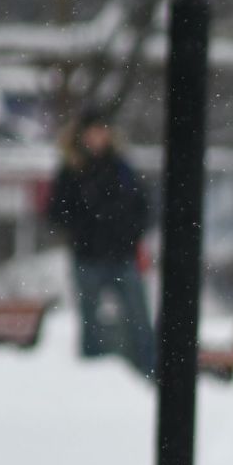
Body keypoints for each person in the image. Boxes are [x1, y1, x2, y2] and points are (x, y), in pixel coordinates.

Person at [46, 109, 156, 377]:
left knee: (138, 319)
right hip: (88, 257)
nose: (98, 137)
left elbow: (142, 206)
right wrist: (85, 227)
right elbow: (58, 211)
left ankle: (147, 370)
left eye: (102, 130)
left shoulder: (121, 168)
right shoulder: (71, 171)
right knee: (90, 322)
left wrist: (128, 232)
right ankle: (92, 376)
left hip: (122, 255)